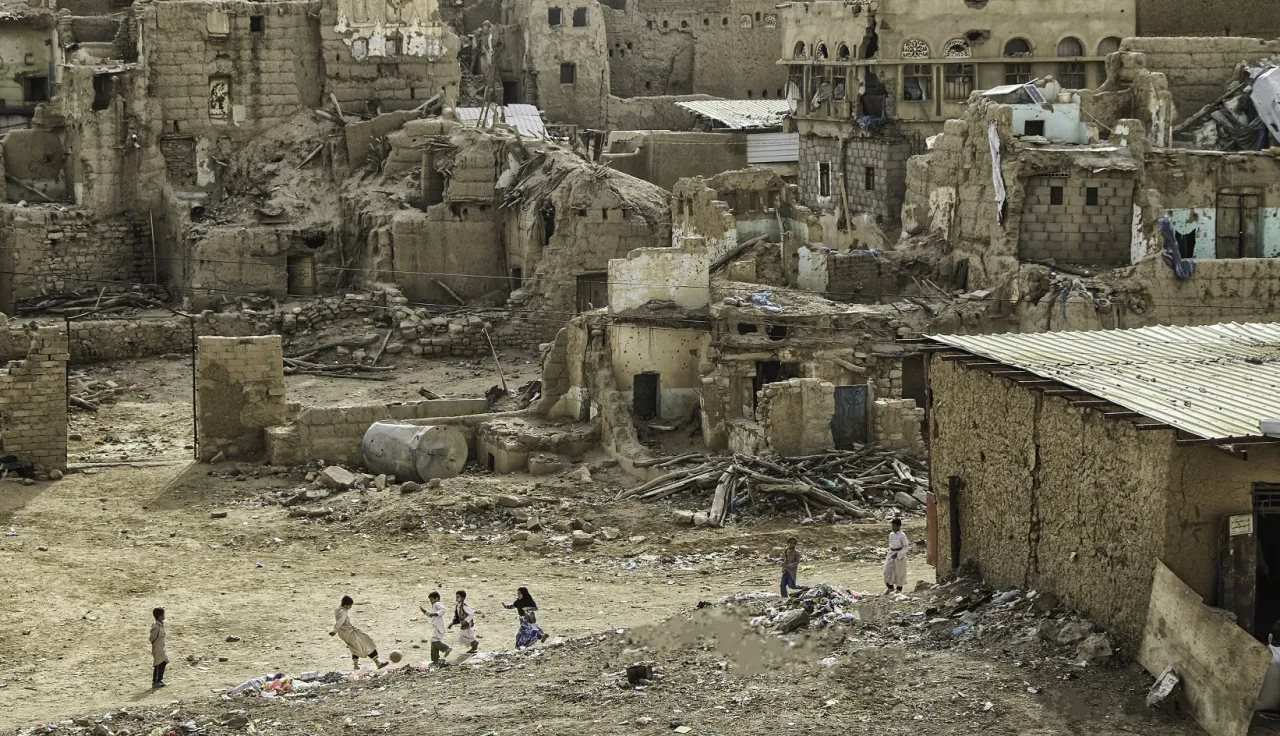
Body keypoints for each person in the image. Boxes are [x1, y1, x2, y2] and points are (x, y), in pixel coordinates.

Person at [330, 595, 386, 669]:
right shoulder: (343, 612)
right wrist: (334, 631)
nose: (351, 607)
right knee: (366, 644)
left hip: (343, 633)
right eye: (350, 606)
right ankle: (378, 663)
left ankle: (356, 665)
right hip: (349, 633)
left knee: (354, 647)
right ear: (346, 605)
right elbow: (340, 622)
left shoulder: (337, 609)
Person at [420, 592, 452, 665]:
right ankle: (435, 659)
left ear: (436, 598)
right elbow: (432, 615)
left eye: (431, 599)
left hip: (439, 626)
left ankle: (446, 648)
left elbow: (443, 610)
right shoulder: (434, 606)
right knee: (433, 642)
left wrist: (435, 613)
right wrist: (425, 612)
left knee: (434, 640)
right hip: (437, 626)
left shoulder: (437, 604)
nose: (430, 601)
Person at [883, 518, 908, 593]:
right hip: (891, 554)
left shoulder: (902, 535)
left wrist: (898, 554)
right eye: (892, 526)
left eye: (894, 526)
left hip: (899, 555)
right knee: (887, 571)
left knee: (899, 572)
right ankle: (890, 588)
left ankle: (899, 590)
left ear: (899, 526)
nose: (892, 527)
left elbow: (906, 547)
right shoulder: (891, 534)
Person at [150, 607, 169, 689]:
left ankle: (159, 680)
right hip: (158, 647)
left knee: (163, 663)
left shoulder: (160, 625)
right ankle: (156, 681)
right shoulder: (156, 626)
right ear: (160, 616)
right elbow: (152, 638)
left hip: (161, 647)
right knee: (158, 664)